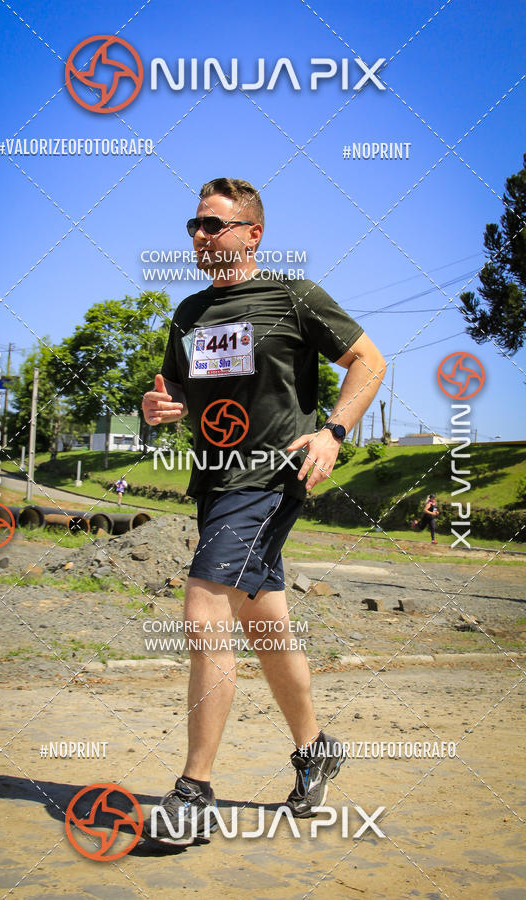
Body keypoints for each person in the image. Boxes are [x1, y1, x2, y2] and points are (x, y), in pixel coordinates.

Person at [141, 177, 386, 845]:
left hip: (272, 480)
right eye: (193, 225)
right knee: (266, 626)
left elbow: (368, 361)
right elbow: (181, 397)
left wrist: (333, 432)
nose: (198, 235)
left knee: (205, 604)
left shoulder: (293, 298)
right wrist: (159, 409)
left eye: (212, 225)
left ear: (252, 234)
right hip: (217, 486)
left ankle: (194, 793)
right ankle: (316, 750)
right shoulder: (190, 314)